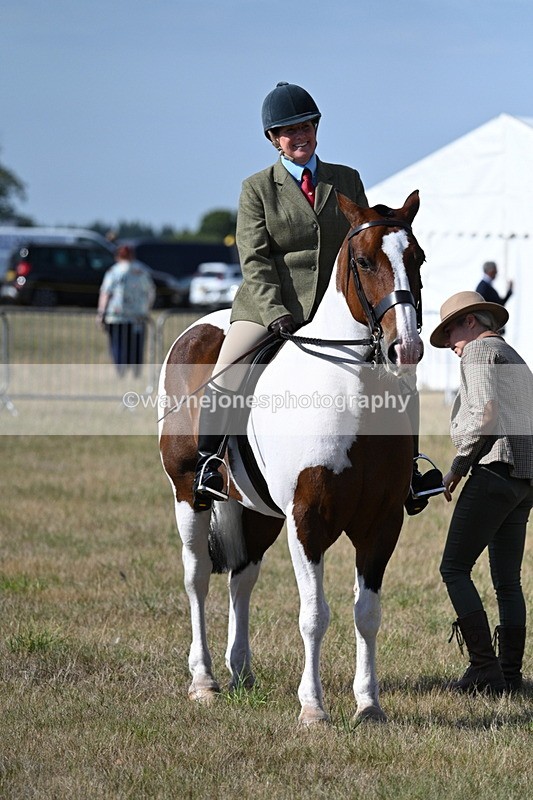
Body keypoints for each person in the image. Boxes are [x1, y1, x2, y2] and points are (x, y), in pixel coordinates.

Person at [192, 81, 442, 513]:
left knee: (404, 374)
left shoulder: (346, 179)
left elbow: (366, 245)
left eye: (306, 125)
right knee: (226, 372)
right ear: (274, 140)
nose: (299, 135)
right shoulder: (257, 188)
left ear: (316, 128)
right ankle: (209, 464)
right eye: (288, 130)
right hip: (270, 307)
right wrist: (275, 314)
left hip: (338, 310)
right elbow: (254, 259)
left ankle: (411, 471)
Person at [430, 291, 533, 694]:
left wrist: (458, 466)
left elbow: (485, 414)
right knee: (508, 581)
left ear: (471, 321)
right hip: (524, 483)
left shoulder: (478, 353)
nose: (451, 346)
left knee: (453, 569)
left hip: (493, 473)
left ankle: (484, 669)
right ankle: (509, 674)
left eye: (451, 332)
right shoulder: (512, 355)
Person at [97, 245, 155, 378]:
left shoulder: (113, 271)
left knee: (118, 346)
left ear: (118, 256)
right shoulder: (142, 270)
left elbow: (106, 293)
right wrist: (146, 309)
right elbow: (151, 291)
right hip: (138, 316)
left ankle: (120, 373)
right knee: (136, 347)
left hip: (117, 316)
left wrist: (101, 313)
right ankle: (136, 374)